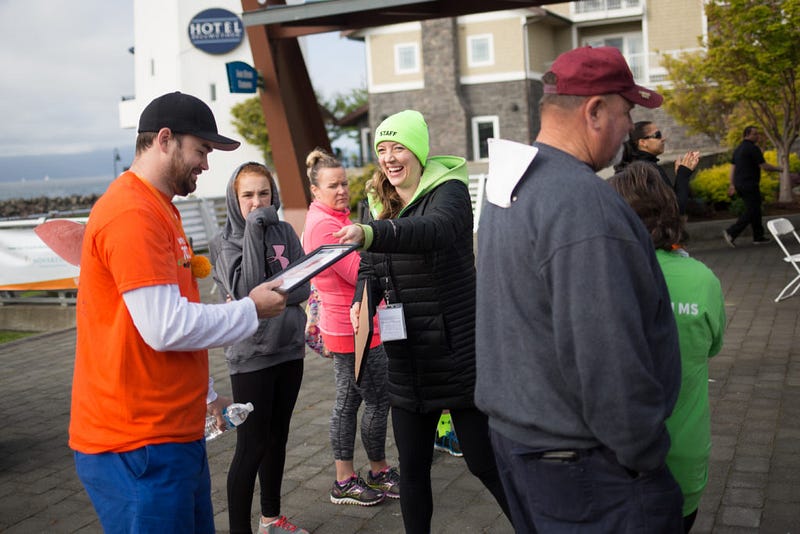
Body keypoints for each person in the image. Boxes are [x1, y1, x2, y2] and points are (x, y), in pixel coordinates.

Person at [474, 46, 684, 532]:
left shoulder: (511, 184)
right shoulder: (583, 206)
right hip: (587, 468)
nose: (631, 126)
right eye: (627, 111)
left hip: (524, 445)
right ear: (594, 111)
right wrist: (644, 453)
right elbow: (607, 354)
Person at [68, 91, 288, 533]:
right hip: (135, 441)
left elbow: (177, 313)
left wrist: (204, 396)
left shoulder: (159, 208)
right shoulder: (132, 213)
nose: (206, 164)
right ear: (164, 139)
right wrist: (252, 309)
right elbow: (166, 327)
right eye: (201, 150)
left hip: (169, 431)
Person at [335, 110, 511, 533]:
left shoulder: (448, 190)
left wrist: (374, 233)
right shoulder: (378, 199)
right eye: (382, 150)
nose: (390, 158)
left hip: (456, 352)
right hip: (408, 359)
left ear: (417, 150)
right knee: (412, 469)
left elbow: (434, 230)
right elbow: (370, 267)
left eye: (398, 148)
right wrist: (363, 300)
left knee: (483, 462)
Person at [609, 161, 726, 532]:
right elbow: (712, 347)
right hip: (685, 455)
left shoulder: (601, 278)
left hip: (615, 461)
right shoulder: (702, 280)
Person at [209, 162, 310, 534]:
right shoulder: (224, 243)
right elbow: (246, 293)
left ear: (274, 194)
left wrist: (275, 293)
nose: (257, 202)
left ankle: (271, 519)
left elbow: (303, 287)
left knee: (277, 437)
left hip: (288, 349)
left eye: (263, 193)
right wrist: (254, 229)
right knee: (251, 446)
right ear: (235, 201)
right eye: (247, 195)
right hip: (249, 357)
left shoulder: (285, 230)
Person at [301, 147, 398, 507]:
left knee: (348, 400)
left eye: (344, 183)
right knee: (376, 399)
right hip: (353, 327)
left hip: (350, 324)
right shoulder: (325, 225)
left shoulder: (335, 217)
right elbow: (359, 272)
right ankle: (378, 470)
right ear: (315, 190)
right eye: (332, 185)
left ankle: (347, 477)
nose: (342, 190)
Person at [614, 120, 701, 215]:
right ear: (643, 142)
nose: (663, 139)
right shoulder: (647, 170)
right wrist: (683, 174)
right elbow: (675, 210)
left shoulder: (632, 168)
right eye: (657, 135)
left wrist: (680, 176)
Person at [723, 125, 784, 247]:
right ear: (747, 135)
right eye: (755, 134)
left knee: (755, 209)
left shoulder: (739, 149)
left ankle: (758, 237)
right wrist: (779, 169)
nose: (757, 136)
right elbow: (763, 166)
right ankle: (731, 232)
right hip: (749, 184)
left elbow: (733, 169)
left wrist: (732, 184)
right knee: (753, 210)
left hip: (741, 184)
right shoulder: (752, 148)